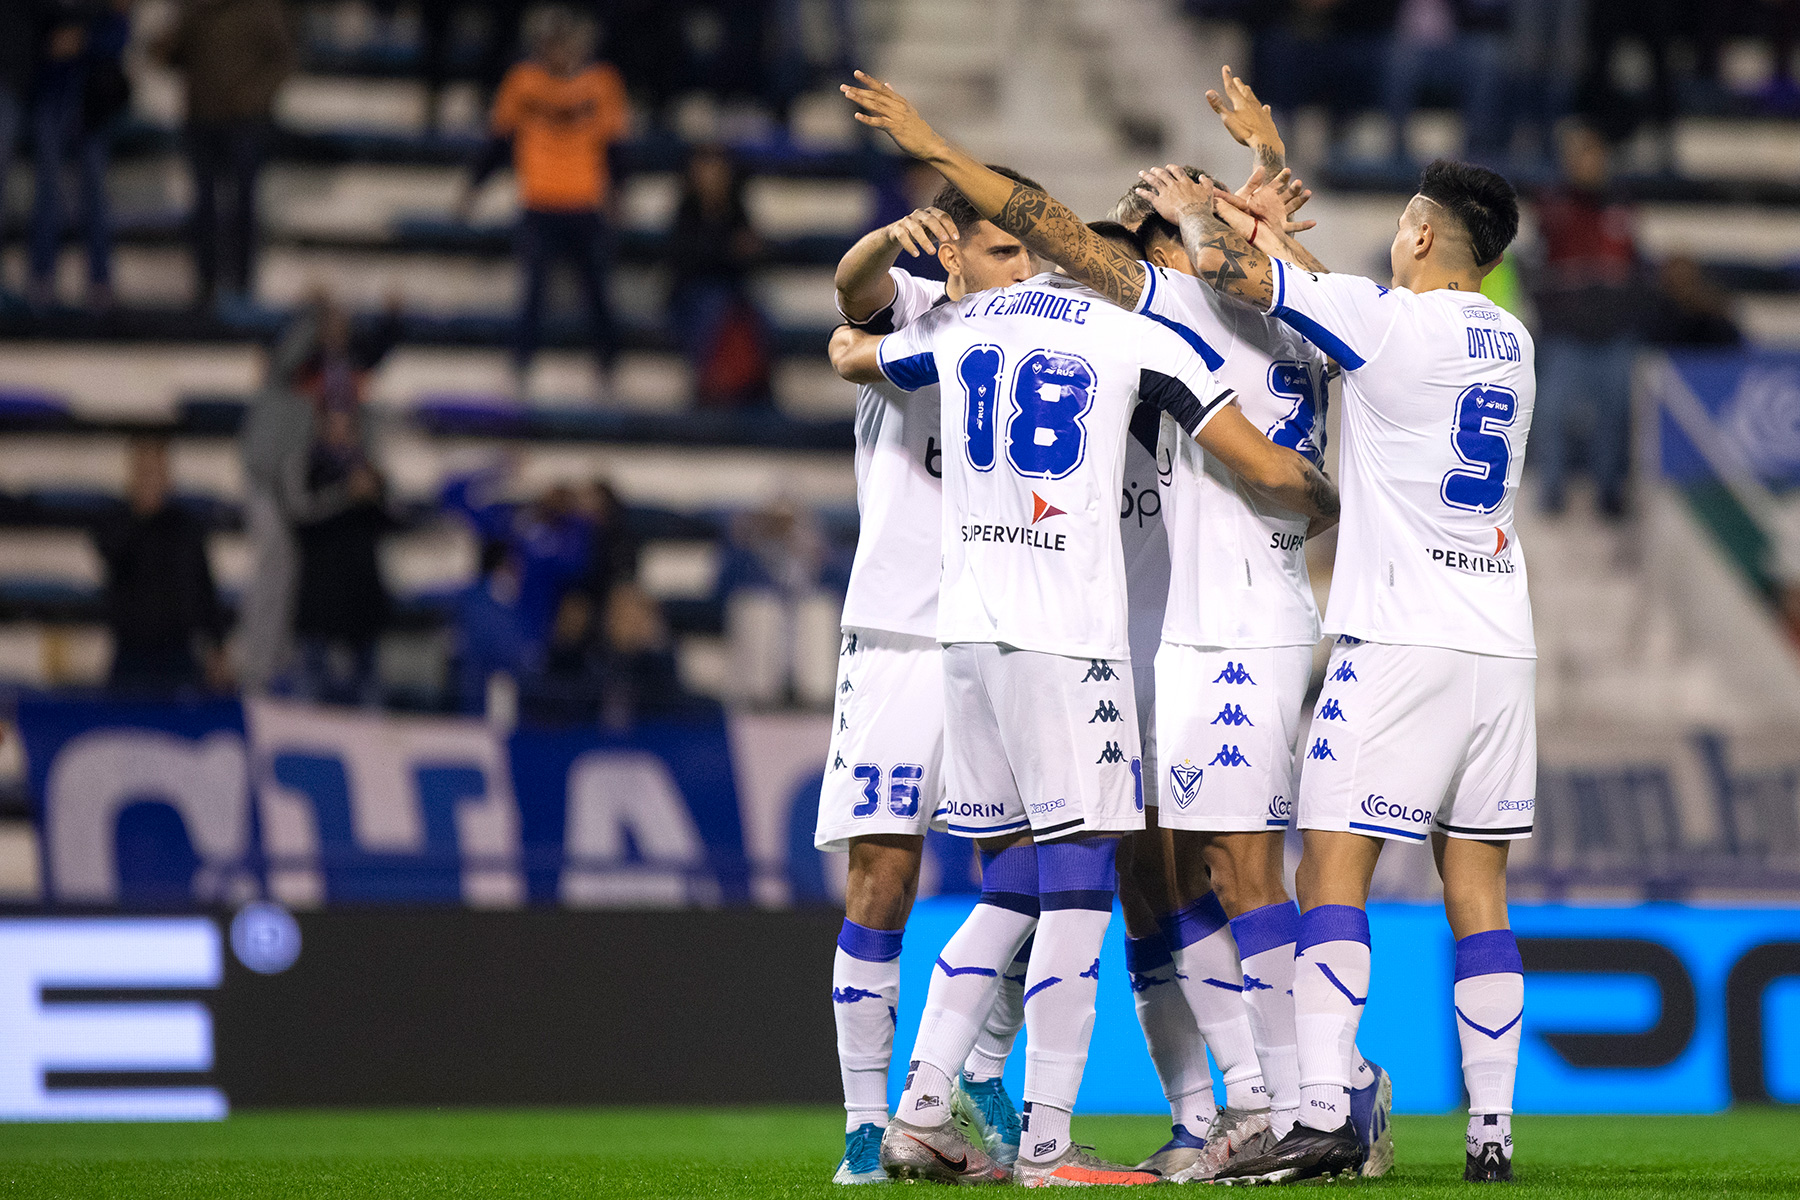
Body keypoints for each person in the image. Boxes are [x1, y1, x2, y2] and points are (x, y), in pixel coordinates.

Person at [840, 67, 1391, 1182]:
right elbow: (1280, 391)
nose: (1147, 255)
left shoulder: (1160, 316)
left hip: (1189, 625)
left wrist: (934, 151)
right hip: (1116, 631)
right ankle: (1202, 1110)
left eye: (1160, 239)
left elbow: (863, 343)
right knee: (1126, 872)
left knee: (1216, 867)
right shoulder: (1189, 322)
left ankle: (1302, 1098)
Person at [1136, 148, 1532, 1184]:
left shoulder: (1392, 324)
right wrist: (1265, 175)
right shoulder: (1513, 343)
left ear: (1417, 236)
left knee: (1331, 866)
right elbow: (1315, 299)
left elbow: (1247, 285)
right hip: (1502, 639)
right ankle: (1490, 1135)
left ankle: (1320, 1110)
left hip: (1401, 638)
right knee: (1477, 885)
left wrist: (1196, 210)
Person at [816, 176, 1036, 1183]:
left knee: (1038, 868)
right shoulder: (910, 312)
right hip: (902, 635)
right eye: (1004, 252)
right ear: (949, 254)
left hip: (1004, 636)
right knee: (883, 878)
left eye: (1032, 252)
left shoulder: (1047, 337)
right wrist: (882, 242)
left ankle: (981, 1070)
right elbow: (849, 286)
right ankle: (868, 1126)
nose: (1025, 271)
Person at [462, 6, 628, 398]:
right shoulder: (522, 82)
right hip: (539, 202)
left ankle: (607, 364)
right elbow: (499, 141)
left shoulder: (602, 83)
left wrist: (618, 191)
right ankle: (521, 365)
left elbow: (615, 146)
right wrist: (473, 186)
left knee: (598, 290)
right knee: (532, 290)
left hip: (584, 202)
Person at [1530, 121, 1644, 519]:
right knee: (1552, 412)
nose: (1588, 165)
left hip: (1614, 333)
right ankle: (1552, 492)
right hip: (1566, 333)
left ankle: (1610, 493)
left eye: (1594, 157)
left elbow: (1633, 265)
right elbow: (1539, 263)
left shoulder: (1623, 205)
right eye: (1579, 158)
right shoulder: (1552, 205)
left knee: (1616, 415)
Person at [154, 0, 294, 313]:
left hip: (246, 124)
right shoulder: (194, 9)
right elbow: (166, 55)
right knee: (204, 207)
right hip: (201, 121)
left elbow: (283, 60)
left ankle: (243, 285)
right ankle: (206, 284)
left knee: (243, 206)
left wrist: (255, 99)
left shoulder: (260, 9)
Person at [94, 438, 230, 693]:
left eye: (157, 472)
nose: (151, 480)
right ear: (131, 476)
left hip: (179, 651)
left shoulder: (186, 527)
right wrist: (140, 515)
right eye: (144, 472)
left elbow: (204, 587)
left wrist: (217, 647)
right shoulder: (115, 522)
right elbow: (109, 551)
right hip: (131, 652)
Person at [287, 406, 395, 706]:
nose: (341, 435)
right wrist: (346, 493)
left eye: (347, 428)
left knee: (369, 693)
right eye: (334, 426)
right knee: (311, 694)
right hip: (320, 600)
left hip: (360, 600)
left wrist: (375, 492)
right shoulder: (307, 466)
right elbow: (300, 515)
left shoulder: (368, 470)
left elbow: (390, 521)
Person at [28, 0, 129, 311]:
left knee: (94, 192)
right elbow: (25, 33)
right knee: (48, 190)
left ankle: (100, 281)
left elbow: (120, 32)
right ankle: (42, 279)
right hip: (50, 94)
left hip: (92, 100)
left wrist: (84, 41)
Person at [666, 145, 772, 408]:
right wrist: (727, 250)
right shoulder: (686, 211)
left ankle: (761, 390)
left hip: (732, 290)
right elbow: (685, 260)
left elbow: (748, 257)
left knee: (763, 319)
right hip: (691, 294)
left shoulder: (736, 209)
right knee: (712, 311)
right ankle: (705, 388)